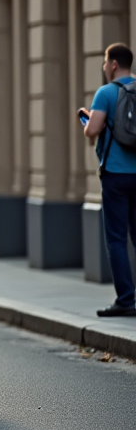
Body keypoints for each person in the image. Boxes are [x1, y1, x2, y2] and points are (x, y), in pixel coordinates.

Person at [79, 43, 136, 317]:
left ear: (113, 64)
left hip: (115, 175)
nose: (104, 67)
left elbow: (93, 130)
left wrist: (87, 121)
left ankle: (126, 299)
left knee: (116, 239)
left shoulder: (106, 93)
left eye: (105, 62)